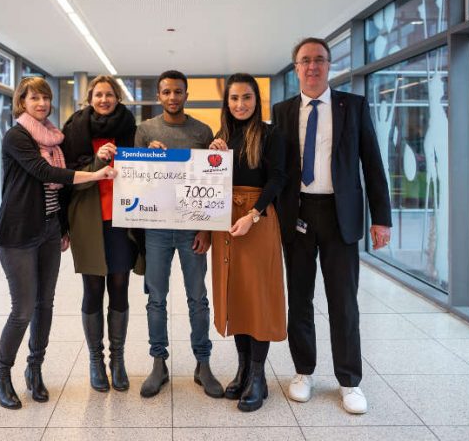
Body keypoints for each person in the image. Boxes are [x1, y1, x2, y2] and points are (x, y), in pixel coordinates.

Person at [272, 38, 392, 415]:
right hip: (298, 215)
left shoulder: (352, 106)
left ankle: (349, 381)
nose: (312, 67)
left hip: (341, 215)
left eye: (319, 60)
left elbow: (372, 163)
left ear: (329, 65)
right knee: (300, 299)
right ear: (295, 68)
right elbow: (275, 168)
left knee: (344, 301)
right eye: (304, 61)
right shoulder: (283, 110)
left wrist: (382, 217)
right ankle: (303, 371)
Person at [0, 77, 116, 410]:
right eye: (34, 98)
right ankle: (2, 374)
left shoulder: (54, 140)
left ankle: (35, 370)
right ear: (22, 102)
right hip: (19, 233)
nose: (42, 103)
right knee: (22, 309)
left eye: (46, 98)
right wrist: (95, 175)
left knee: (44, 304)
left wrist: (62, 226)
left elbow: (57, 196)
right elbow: (46, 174)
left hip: (49, 230)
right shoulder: (17, 137)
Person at [135, 70, 223, 399]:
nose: (173, 97)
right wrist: (147, 157)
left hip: (192, 229)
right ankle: (159, 363)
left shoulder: (202, 131)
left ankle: (203, 364)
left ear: (187, 95)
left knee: (198, 299)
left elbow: (212, 181)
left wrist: (207, 230)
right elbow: (136, 180)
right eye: (167, 92)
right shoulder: (145, 130)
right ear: (159, 96)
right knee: (156, 300)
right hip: (156, 228)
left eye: (178, 92)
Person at [208, 73, 287, 412]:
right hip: (224, 220)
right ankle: (243, 369)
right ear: (226, 102)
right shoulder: (220, 137)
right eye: (234, 98)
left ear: (257, 101)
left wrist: (252, 214)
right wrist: (214, 158)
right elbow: (208, 182)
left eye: (247, 98)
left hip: (257, 219)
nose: (240, 104)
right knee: (236, 295)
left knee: (258, 297)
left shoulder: (271, 134)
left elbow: (278, 178)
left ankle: (258, 376)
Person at [61, 75, 144, 392]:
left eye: (110, 94)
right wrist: (98, 160)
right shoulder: (74, 129)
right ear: (89, 98)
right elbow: (68, 178)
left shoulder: (131, 129)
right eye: (98, 95)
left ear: (118, 98)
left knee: (120, 287)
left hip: (123, 219)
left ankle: (117, 361)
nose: (104, 99)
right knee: (93, 288)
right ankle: (96, 362)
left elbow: (145, 170)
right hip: (87, 218)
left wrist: (152, 152)